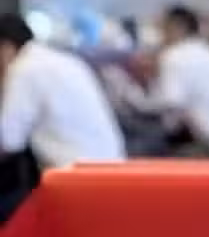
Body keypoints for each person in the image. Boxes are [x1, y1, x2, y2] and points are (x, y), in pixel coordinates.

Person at [0, 14, 125, 221]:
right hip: (109, 172)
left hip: (74, 182)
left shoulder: (23, 69)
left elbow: (8, 140)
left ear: (5, 47)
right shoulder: (65, 60)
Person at [114, 5, 209, 158]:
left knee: (145, 155)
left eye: (161, 28)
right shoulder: (206, 51)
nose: (159, 38)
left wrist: (130, 92)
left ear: (176, 27)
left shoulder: (175, 55)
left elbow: (168, 104)